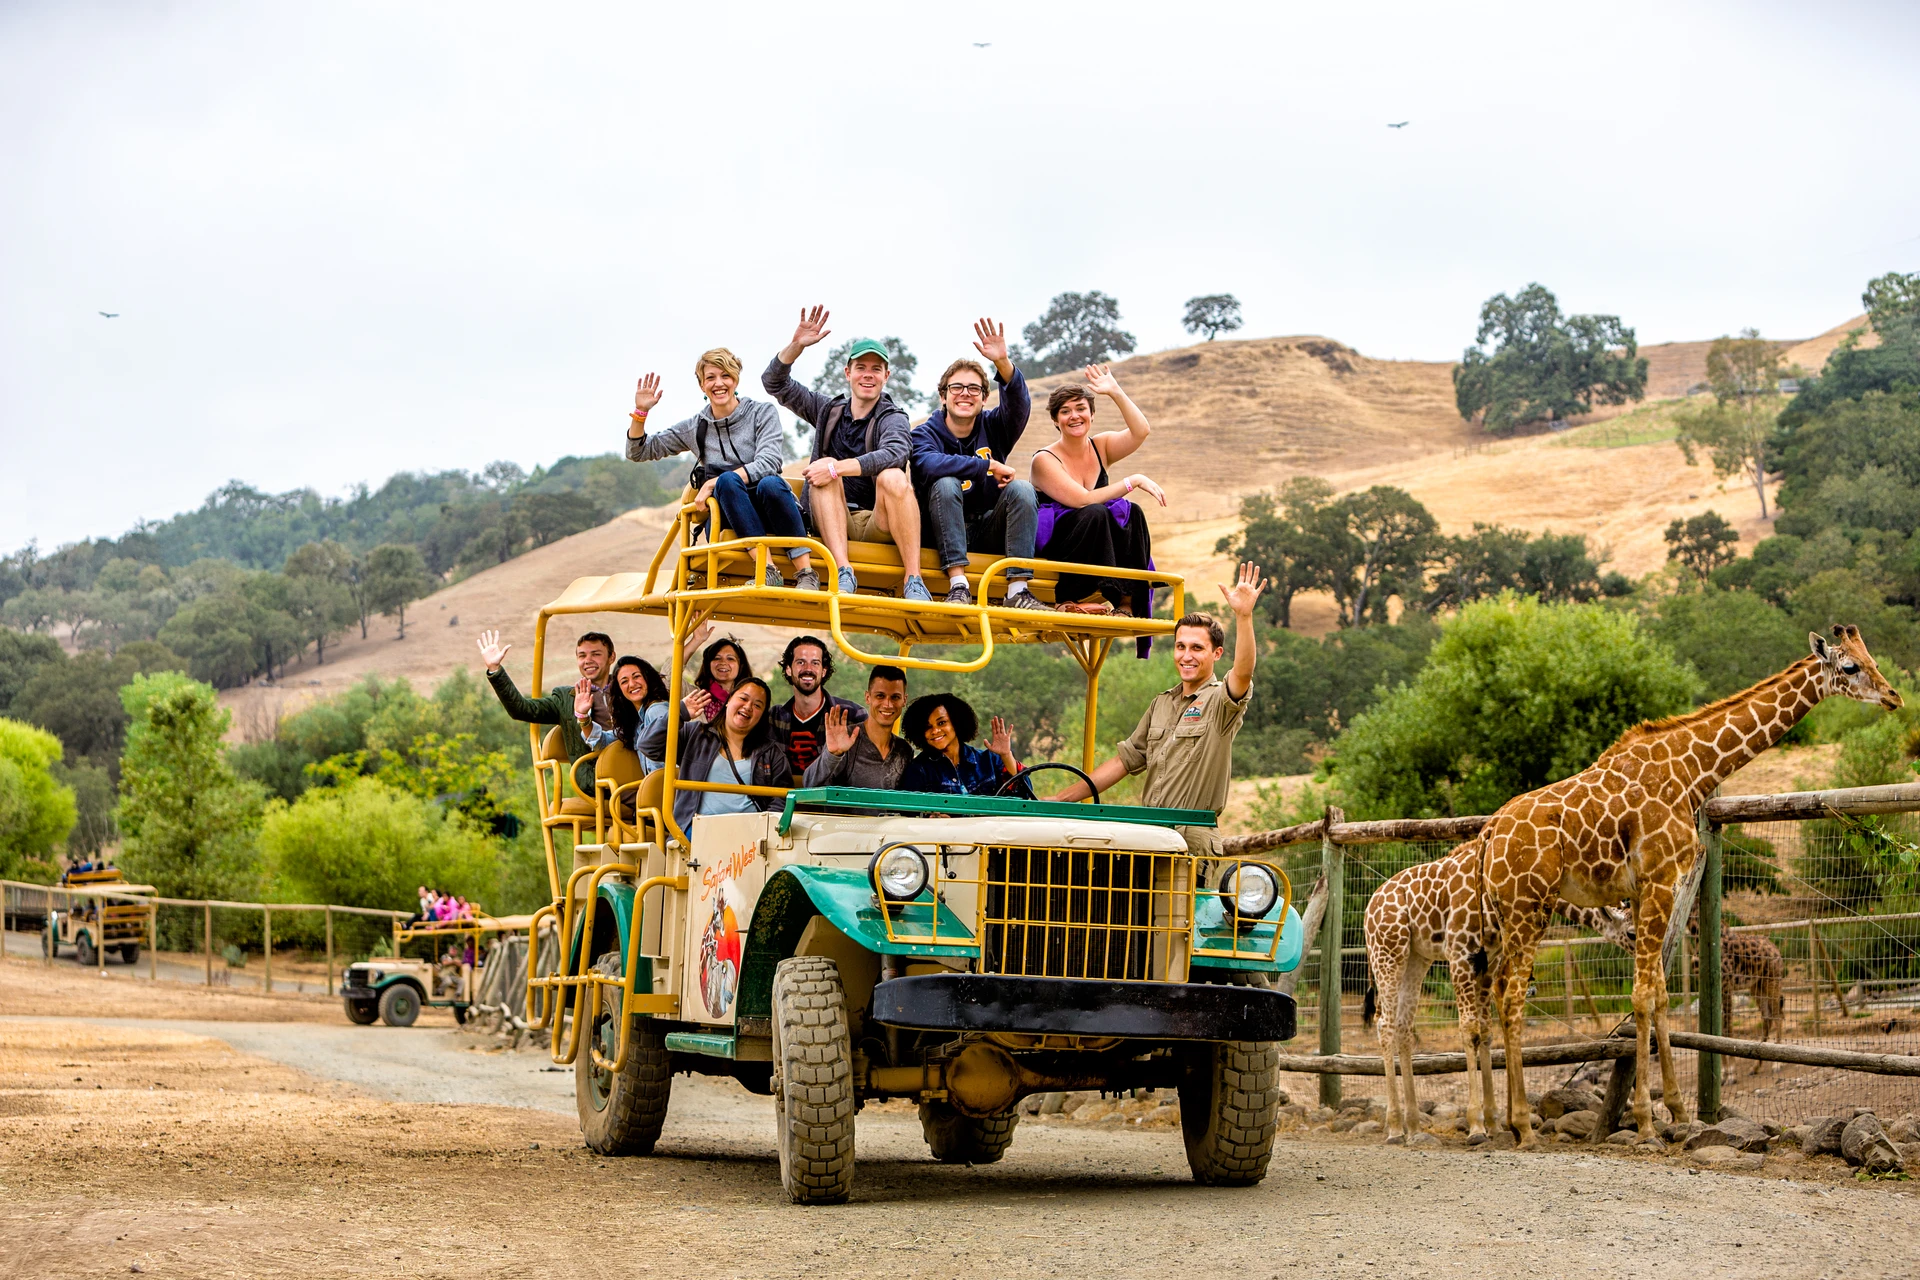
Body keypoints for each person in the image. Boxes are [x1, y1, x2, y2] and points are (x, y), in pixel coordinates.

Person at [1052, 563, 1267, 869]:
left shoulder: (1220, 702)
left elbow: (1243, 672)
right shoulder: (1161, 704)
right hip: (1150, 834)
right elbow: (1124, 761)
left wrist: (1243, 616)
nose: (1186, 655)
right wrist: (1061, 800)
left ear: (1216, 654)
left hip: (1190, 839)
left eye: (1197, 648)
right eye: (1180, 646)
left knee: (1183, 918)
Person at [762, 305, 932, 602]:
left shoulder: (893, 417)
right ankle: (843, 571)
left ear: (886, 375)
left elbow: (895, 453)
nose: (868, 375)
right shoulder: (827, 410)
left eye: (876, 369)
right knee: (824, 468)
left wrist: (837, 468)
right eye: (861, 368)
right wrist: (796, 346)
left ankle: (914, 580)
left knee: (892, 476)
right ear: (848, 373)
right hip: (829, 516)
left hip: (876, 522)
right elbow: (773, 382)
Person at [627, 347, 818, 589]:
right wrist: (640, 413)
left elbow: (770, 461)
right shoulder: (696, 427)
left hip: (772, 509)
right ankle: (767, 570)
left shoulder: (761, 413)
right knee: (727, 482)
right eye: (710, 378)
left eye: (726, 375)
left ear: (736, 379)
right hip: (730, 512)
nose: (719, 383)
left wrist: (713, 481)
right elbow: (638, 451)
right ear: (701, 385)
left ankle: (807, 573)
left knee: (770, 482)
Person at [909, 319, 1049, 609]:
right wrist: (987, 466)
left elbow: (1019, 406)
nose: (965, 394)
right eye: (956, 387)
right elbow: (926, 465)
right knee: (945, 482)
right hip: (939, 535)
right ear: (943, 396)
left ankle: (1018, 591)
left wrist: (1002, 362)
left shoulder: (995, 426)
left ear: (985, 398)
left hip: (987, 528)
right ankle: (958, 586)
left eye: (974, 389)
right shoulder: (923, 433)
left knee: (1023, 489)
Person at [1030, 365, 1165, 620]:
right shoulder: (1044, 459)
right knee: (1095, 512)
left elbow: (1141, 431)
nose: (1074, 416)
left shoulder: (1100, 446)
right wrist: (1132, 481)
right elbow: (1082, 500)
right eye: (1065, 411)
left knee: (1131, 512)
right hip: (1056, 543)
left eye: (1081, 409)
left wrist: (1115, 392)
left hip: (1097, 539)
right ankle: (1068, 598)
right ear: (1055, 420)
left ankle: (1126, 603)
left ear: (1092, 414)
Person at [638, 677, 790, 833]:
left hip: (749, 833)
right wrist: (680, 712)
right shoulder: (695, 735)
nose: (748, 707)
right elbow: (648, 745)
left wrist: (765, 831)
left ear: (762, 716)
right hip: (699, 830)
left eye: (758, 705)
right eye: (743, 698)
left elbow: (780, 799)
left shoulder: (771, 753)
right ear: (729, 700)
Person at [478, 627, 616, 796]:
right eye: (582, 656)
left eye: (596, 654)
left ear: (611, 657)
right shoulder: (566, 699)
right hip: (597, 780)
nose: (588, 660)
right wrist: (495, 670)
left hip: (635, 768)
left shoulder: (627, 688)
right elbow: (521, 709)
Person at [766, 635, 866, 782]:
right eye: (801, 662)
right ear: (788, 669)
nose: (808, 669)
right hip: (784, 802)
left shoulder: (851, 715)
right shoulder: (774, 718)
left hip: (831, 803)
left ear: (823, 671)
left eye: (815, 663)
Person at [802, 665, 911, 791]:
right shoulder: (846, 739)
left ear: (904, 700)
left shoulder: (904, 750)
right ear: (868, 697)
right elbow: (808, 783)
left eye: (895, 697)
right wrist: (833, 754)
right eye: (880, 696)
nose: (887, 704)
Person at [899, 693, 1028, 797]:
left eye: (942, 723)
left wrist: (1006, 755)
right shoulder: (918, 770)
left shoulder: (989, 761)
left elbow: (1025, 795)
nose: (935, 731)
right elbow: (910, 814)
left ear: (956, 722)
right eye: (927, 727)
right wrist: (932, 818)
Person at [576, 655, 673, 774]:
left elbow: (669, 759)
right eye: (624, 681)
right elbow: (602, 742)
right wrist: (583, 715)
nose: (632, 684)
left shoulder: (656, 710)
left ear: (648, 678)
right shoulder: (635, 722)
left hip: (670, 788)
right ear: (620, 690)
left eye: (636, 676)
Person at [690, 636, 751, 723]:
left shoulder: (750, 701)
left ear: (740, 666)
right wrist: (696, 640)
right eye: (717, 658)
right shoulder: (696, 696)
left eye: (730, 658)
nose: (723, 663)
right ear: (708, 665)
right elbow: (668, 680)